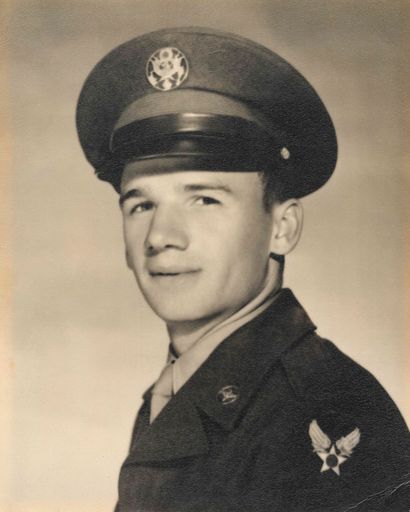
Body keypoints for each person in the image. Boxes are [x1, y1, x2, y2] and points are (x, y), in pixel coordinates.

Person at [76, 27, 410, 511]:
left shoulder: (327, 408)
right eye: (141, 205)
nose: (161, 236)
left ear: (282, 227)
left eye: (204, 199)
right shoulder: (182, 392)